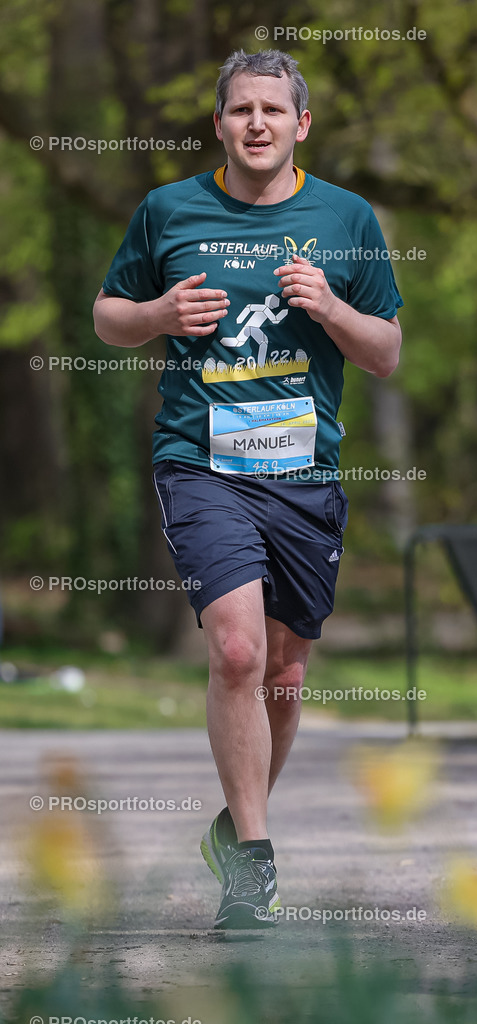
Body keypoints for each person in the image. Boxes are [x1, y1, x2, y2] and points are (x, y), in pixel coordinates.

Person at [93, 48, 403, 929]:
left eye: (273, 109)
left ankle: (234, 830)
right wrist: (156, 316)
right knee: (234, 652)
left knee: (284, 672)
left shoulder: (345, 218)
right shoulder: (169, 210)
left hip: (304, 473)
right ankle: (254, 872)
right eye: (240, 110)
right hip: (202, 461)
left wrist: (331, 309)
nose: (256, 123)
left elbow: (383, 354)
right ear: (219, 123)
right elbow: (107, 314)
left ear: (301, 125)